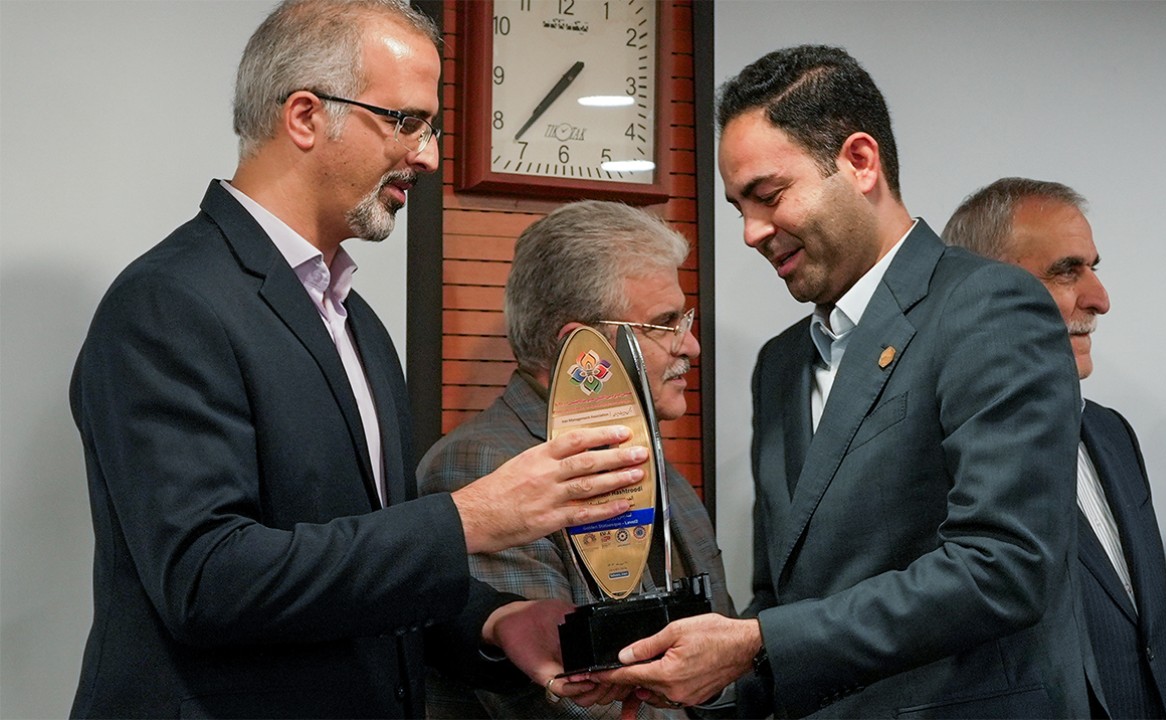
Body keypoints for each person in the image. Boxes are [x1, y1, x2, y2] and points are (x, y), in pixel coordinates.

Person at [67, 1, 650, 717]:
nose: (428, 155)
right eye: (406, 122)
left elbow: (366, 564)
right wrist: (468, 519)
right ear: (305, 117)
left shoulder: (357, 321)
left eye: (431, 128)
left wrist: (495, 622)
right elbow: (207, 580)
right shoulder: (167, 303)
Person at [593, 44, 1089, 718]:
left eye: (768, 196)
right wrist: (696, 677)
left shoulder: (988, 306)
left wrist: (755, 644)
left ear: (859, 162)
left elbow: (1004, 566)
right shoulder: (779, 365)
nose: (751, 232)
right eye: (738, 208)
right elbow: (785, 601)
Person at [417, 200, 736, 720]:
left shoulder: (648, 460)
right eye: (665, 324)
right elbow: (568, 701)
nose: (691, 346)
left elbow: (722, 659)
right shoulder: (481, 466)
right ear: (579, 349)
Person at [943, 177, 1166, 719]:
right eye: (1067, 271)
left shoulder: (1113, 434)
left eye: (1093, 267)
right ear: (980, 289)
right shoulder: (930, 451)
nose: (1100, 299)